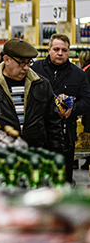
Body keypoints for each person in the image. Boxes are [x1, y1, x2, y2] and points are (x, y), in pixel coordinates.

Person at [0, 38, 64, 154]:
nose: (26, 67)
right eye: (21, 62)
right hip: (0, 156)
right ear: (6, 60)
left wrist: (57, 152)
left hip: (36, 154)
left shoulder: (41, 84)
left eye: (29, 62)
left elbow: (53, 123)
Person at [31, 34, 90, 184]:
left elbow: (87, 101)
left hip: (66, 136)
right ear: (49, 49)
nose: (60, 53)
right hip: (39, 133)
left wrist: (73, 108)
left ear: (69, 51)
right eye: (56, 49)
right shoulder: (35, 69)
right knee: (39, 178)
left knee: (64, 179)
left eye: (64, 50)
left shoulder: (78, 74)